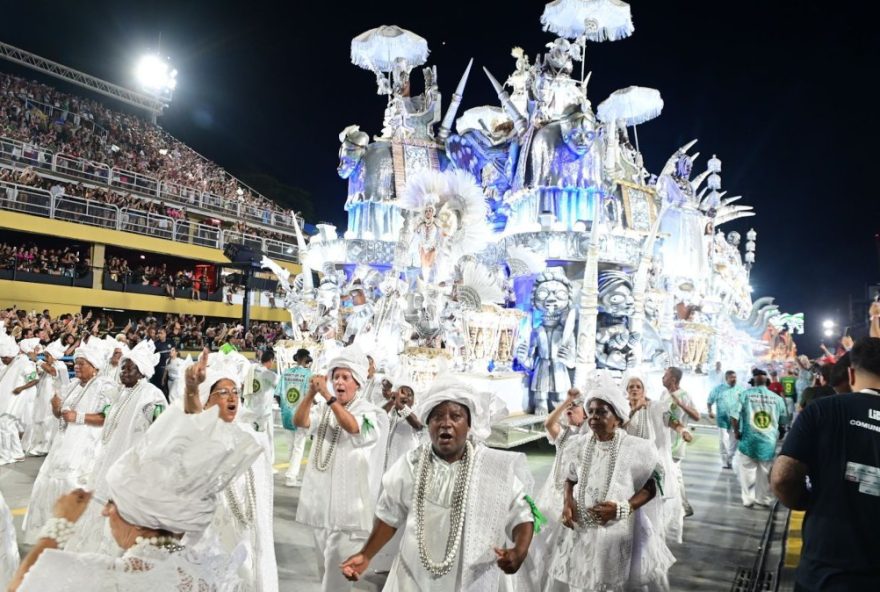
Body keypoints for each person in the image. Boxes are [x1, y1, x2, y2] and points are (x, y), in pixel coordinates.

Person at [8, 405, 263, 591]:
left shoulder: (102, 578)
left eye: (114, 503)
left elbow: (22, 585)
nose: (105, 512)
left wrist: (58, 526)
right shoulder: (219, 574)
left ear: (140, 518)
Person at [341, 378, 536, 591]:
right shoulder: (411, 463)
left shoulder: (493, 467)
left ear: (469, 424)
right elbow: (389, 514)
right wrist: (366, 554)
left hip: (471, 581)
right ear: (428, 424)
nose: (445, 423)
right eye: (437, 417)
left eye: (456, 416)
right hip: (412, 578)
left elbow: (521, 513)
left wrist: (520, 550)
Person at [545, 372, 674, 591]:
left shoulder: (635, 447)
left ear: (618, 419)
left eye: (602, 412)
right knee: (582, 581)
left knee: (614, 582)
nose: (594, 417)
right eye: (591, 411)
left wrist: (624, 508)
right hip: (582, 528)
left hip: (618, 530)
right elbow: (570, 478)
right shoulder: (578, 444)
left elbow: (655, 482)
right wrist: (568, 504)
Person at [771, 337, 880, 591]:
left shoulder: (822, 410)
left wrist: (805, 501)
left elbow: (782, 478)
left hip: (826, 572)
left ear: (851, 374)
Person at [294, 345, 389, 592]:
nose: (339, 381)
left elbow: (354, 429)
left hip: (349, 515)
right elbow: (300, 423)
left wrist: (328, 397)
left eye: (345, 377)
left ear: (357, 382)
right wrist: (309, 395)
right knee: (324, 571)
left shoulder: (370, 413)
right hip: (320, 509)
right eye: (335, 376)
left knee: (334, 582)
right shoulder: (325, 408)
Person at [184, 347, 279, 592]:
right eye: (223, 392)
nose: (232, 397)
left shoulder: (252, 437)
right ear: (207, 399)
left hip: (246, 535)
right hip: (209, 536)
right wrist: (193, 388)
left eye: (235, 392)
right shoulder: (199, 434)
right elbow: (195, 421)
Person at [64, 339, 166, 554]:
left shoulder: (151, 395)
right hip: (109, 458)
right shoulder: (120, 394)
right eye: (123, 367)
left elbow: (160, 428)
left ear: (142, 372)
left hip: (132, 465)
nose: (124, 371)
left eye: (130, 368)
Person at [22, 337, 115, 544]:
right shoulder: (73, 385)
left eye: (82, 363)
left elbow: (109, 415)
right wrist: (56, 407)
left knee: (71, 484)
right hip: (62, 444)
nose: (77, 367)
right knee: (46, 484)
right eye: (76, 363)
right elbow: (62, 415)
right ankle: (48, 534)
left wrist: (79, 417)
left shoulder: (105, 385)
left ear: (94, 366)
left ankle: (72, 538)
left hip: (86, 446)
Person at [624, 370, 691, 543]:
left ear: (644, 390)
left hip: (652, 465)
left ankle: (651, 539)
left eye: (638, 386)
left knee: (651, 505)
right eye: (631, 386)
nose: (634, 389)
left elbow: (671, 420)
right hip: (629, 465)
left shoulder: (656, 407)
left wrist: (682, 430)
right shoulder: (622, 410)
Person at [730, 369, 787, 508]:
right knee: (765, 471)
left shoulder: (744, 395)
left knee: (747, 470)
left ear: (753, 382)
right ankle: (763, 499)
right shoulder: (778, 399)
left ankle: (748, 498)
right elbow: (783, 421)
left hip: (749, 440)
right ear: (767, 382)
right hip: (768, 442)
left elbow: (734, 416)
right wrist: (779, 434)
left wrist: (736, 432)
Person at [660, 366, 699, 518]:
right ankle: (676, 506)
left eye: (665, 375)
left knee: (674, 475)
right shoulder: (664, 393)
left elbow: (696, 416)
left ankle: (684, 506)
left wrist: (681, 404)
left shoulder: (683, 395)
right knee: (670, 475)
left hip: (676, 443)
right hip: (663, 441)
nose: (662, 377)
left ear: (673, 379)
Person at [21, 339, 69, 456]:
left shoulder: (60, 365)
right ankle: (36, 444)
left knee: (48, 421)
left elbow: (52, 372)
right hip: (41, 397)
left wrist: (37, 360)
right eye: (45, 355)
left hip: (52, 399)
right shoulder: (45, 365)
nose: (46, 358)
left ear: (54, 356)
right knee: (38, 420)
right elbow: (39, 374)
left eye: (48, 356)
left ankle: (46, 447)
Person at [277, 348, 311, 487]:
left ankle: (289, 474)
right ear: (305, 359)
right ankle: (291, 477)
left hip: (286, 413)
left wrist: (285, 407)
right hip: (300, 414)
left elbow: (277, 394)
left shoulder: (286, 373)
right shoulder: (307, 374)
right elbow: (309, 396)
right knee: (298, 447)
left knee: (291, 446)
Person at [0, 336, 39, 438]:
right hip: (14, 397)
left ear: (9, 357)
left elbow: (35, 379)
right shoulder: (10, 365)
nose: (3, 360)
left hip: (26, 395)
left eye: (4, 358)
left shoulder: (24, 363)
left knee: (25, 420)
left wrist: (21, 388)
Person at [707, 370, 743, 469]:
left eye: (735, 377)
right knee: (723, 440)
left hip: (735, 419)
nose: (734, 379)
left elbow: (745, 403)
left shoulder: (740, 389)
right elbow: (710, 400)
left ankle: (730, 459)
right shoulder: (718, 389)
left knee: (734, 440)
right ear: (726, 378)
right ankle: (724, 461)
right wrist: (710, 411)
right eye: (732, 377)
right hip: (722, 418)